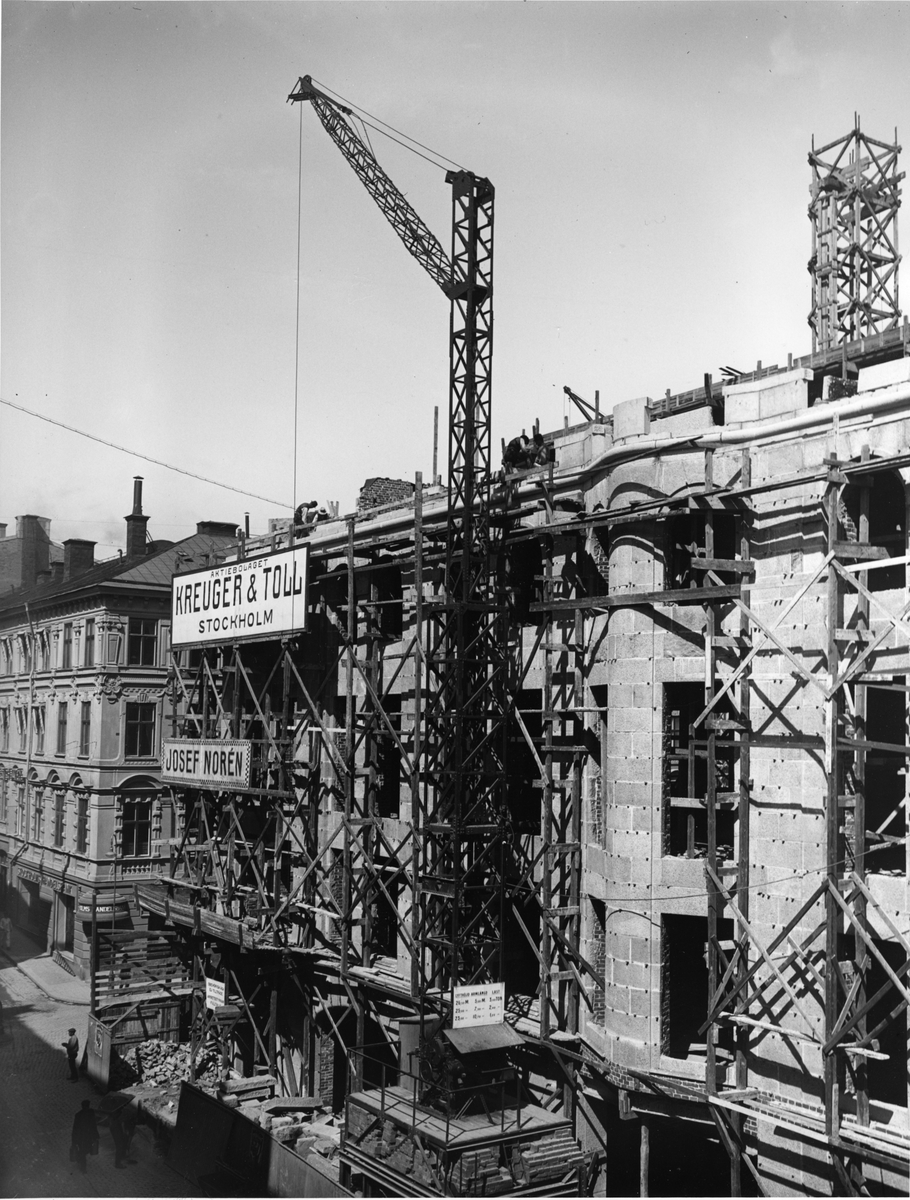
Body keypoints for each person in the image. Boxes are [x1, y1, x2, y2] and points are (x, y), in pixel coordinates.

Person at [71, 1100, 99, 1175]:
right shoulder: (89, 1113)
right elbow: (93, 1125)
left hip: (83, 1137)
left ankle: (80, 1157)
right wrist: (95, 1135)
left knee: (84, 1150)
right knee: (84, 1151)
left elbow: (75, 1128)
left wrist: (74, 1140)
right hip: (84, 1137)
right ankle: (83, 1168)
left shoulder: (79, 1115)